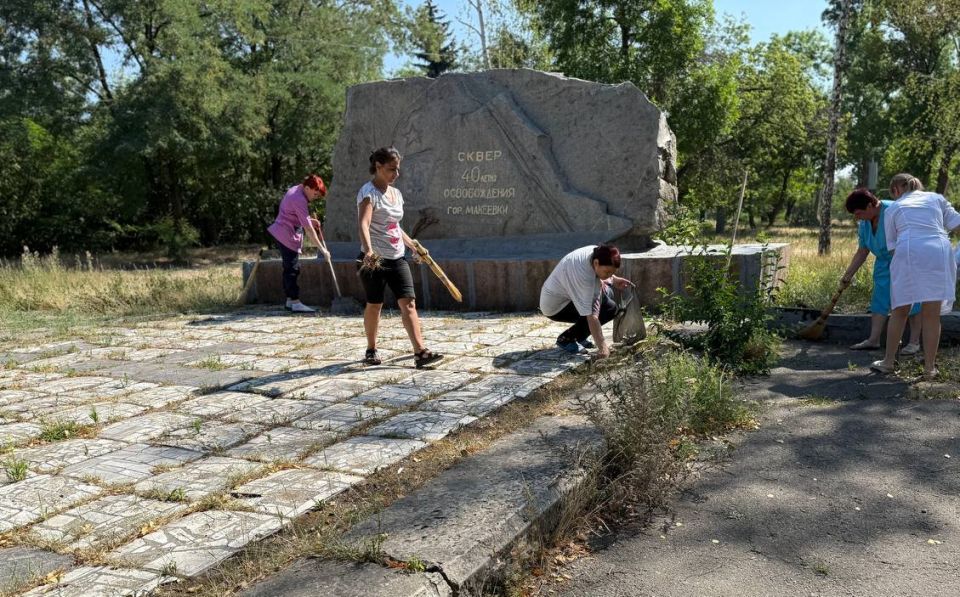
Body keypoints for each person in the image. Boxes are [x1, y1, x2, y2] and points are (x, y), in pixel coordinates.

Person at [356, 146, 443, 369]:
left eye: (398, 169)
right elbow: (364, 224)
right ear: (378, 167)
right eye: (391, 169)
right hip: (374, 260)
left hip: (397, 258)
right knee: (375, 304)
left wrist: (413, 245)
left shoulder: (396, 194)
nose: (396, 174)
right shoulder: (368, 193)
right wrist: (368, 251)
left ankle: (420, 352)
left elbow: (394, 226)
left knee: (409, 303)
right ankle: (371, 349)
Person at [870, 173, 960, 380]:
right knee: (931, 313)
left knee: (900, 309)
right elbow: (957, 224)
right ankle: (929, 369)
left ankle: (888, 362)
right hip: (939, 249)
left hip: (910, 249)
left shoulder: (893, 208)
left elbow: (892, 248)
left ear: (895, 190)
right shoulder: (936, 198)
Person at [840, 188, 921, 352]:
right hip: (883, 264)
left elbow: (914, 238)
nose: (856, 217)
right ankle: (873, 339)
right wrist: (847, 275)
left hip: (906, 261)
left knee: (912, 301)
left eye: (858, 213)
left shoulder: (895, 210)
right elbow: (863, 251)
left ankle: (914, 342)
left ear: (870, 205)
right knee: (880, 299)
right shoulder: (864, 223)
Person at [539, 244, 633, 358]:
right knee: (608, 309)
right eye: (607, 272)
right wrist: (602, 347)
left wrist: (614, 279)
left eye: (611, 272)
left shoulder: (597, 252)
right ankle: (566, 339)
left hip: (567, 297)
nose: (609, 275)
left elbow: (603, 274)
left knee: (608, 294)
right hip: (555, 306)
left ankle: (580, 336)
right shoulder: (583, 277)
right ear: (596, 263)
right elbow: (591, 316)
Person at [267, 174, 330, 313]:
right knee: (292, 269)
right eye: (315, 194)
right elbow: (308, 230)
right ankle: (295, 302)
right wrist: (322, 250)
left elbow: (294, 215)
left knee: (289, 267)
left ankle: (290, 301)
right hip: (286, 234)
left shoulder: (297, 190)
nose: (315, 198)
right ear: (307, 188)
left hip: (282, 231)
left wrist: (310, 221)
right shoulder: (299, 199)